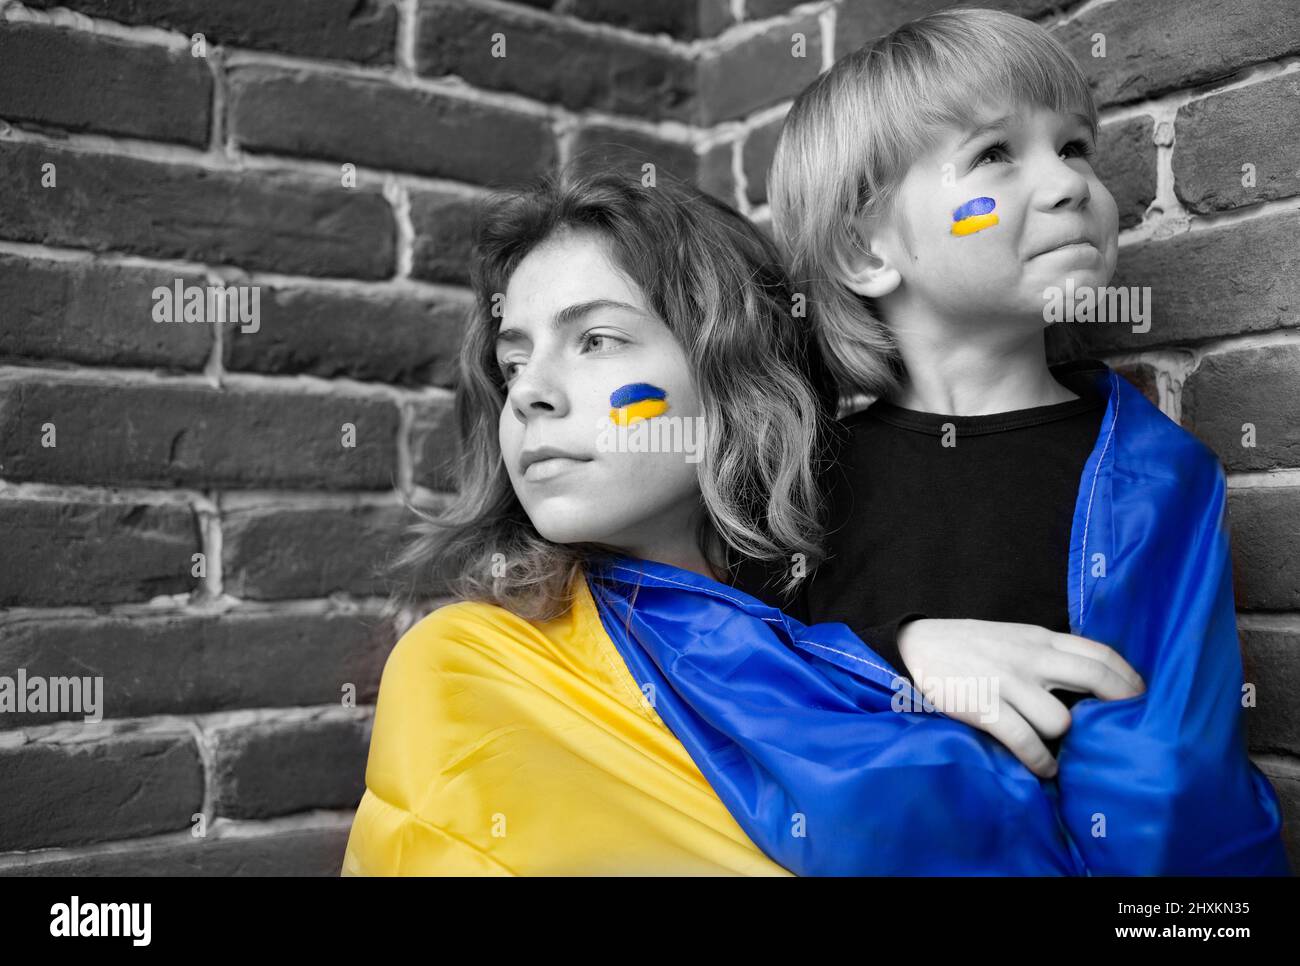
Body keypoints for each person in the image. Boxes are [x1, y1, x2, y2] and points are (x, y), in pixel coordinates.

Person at [340, 167, 1093, 876]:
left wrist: (892, 655)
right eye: (513, 363)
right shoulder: (468, 670)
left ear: (733, 376)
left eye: (596, 341)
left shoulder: (868, 617)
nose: (530, 393)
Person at [736, 5, 1290, 874]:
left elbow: (1175, 786)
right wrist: (896, 651)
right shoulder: (797, 483)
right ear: (865, 249)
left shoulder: (1159, 479)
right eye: (996, 154)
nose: (1071, 184)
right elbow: (730, 683)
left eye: (1074, 146)